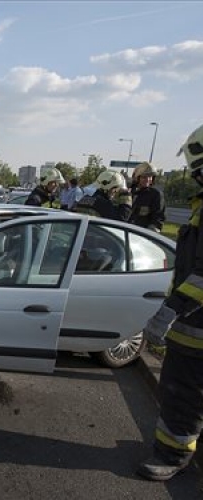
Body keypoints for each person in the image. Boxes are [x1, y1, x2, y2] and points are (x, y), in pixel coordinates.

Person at [138, 122, 203, 481]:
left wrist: (171, 310)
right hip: (193, 325)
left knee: (182, 393)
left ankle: (173, 454)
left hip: (196, 327)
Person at [129, 162, 165, 232]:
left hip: (141, 235)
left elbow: (158, 219)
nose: (148, 180)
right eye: (144, 177)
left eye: (150, 177)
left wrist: (148, 236)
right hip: (124, 232)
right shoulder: (129, 192)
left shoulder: (155, 195)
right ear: (137, 178)